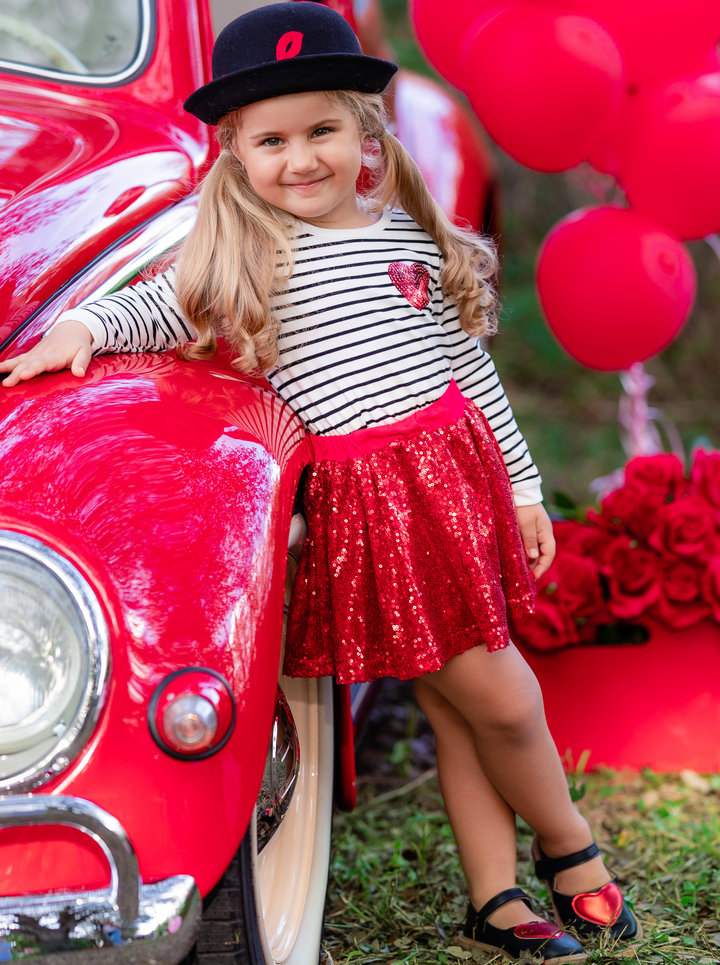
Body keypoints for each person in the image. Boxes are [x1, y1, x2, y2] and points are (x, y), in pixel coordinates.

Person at [0, 4, 640, 961]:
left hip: (451, 478)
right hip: (373, 505)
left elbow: (470, 372)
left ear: (366, 135)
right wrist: (84, 333)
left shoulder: (406, 235)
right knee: (495, 697)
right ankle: (572, 853)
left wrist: (520, 486)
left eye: (321, 131)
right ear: (235, 154)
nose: (300, 159)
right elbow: (150, 307)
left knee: (468, 705)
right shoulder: (245, 257)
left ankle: (496, 893)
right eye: (272, 140)